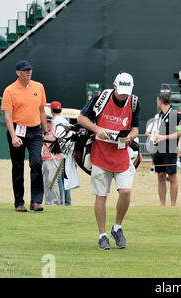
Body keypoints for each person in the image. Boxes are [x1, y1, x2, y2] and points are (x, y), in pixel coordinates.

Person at [77, 72, 140, 250]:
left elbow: (135, 129)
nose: (123, 95)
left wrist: (130, 137)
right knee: (101, 195)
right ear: (114, 85)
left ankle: (117, 228)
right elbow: (81, 118)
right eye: (121, 91)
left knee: (126, 191)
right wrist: (97, 129)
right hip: (101, 152)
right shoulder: (101, 97)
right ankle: (102, 235)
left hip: (122, 152)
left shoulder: (134, 102)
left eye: (126, 92)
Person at [1, 60, 47, 212]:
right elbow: (8, 117)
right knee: (18, 167)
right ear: (18, 72)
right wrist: (14, 136)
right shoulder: (10, 90)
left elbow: (41, 110)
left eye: (30, 69)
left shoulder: (38, 86)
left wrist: (45, 130)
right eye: (25, 70)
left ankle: (36, 201)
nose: (29, 72)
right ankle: (19, 203)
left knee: (36, 163)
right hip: (17, 130)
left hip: (35, 131)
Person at [151, 92, 181, 206]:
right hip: (158, 151)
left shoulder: (176, 114)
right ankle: (162, 204)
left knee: (172, 177)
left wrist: (163, 137)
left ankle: (173, 204)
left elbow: (180, 133)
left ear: (160, 101)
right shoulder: (159, 115)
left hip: (170, 151)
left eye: (157, 100)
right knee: (160, 176)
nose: (156, 103)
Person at [50, 100, 72, 206]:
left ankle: (60, 202)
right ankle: (68, 202)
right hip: (68, 151)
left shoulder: (53, 122)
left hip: (59, 152)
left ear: (51, 110)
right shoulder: (66, 121)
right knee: (66, 178)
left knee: (59, 179)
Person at [42, 117, 61, 205]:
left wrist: (46, 139)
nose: (47, 124)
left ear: (52, 123)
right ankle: (48, 202)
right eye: (46, 122)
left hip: (54, 159)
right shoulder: (41, 132)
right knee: (46, 182)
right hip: (44, 160)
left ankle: (55, 202)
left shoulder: (56, 132)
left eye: (49, 122)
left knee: (52, 181)